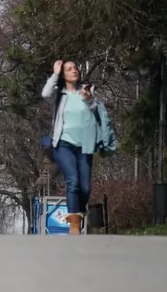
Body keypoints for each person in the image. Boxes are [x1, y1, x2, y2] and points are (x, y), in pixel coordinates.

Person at [42, 59, 115, 235]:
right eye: (69, 69)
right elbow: (45, 94)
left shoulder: (87, 91)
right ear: (64, 74)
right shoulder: (59, 94)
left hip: (85, 145)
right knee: (72, 181)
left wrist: (90, 102)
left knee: (85, 187)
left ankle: (79, 213)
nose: (74, 70)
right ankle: (74, 222)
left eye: (75, 68)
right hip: (63, 144)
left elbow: (99, 115)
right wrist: (55, 73)